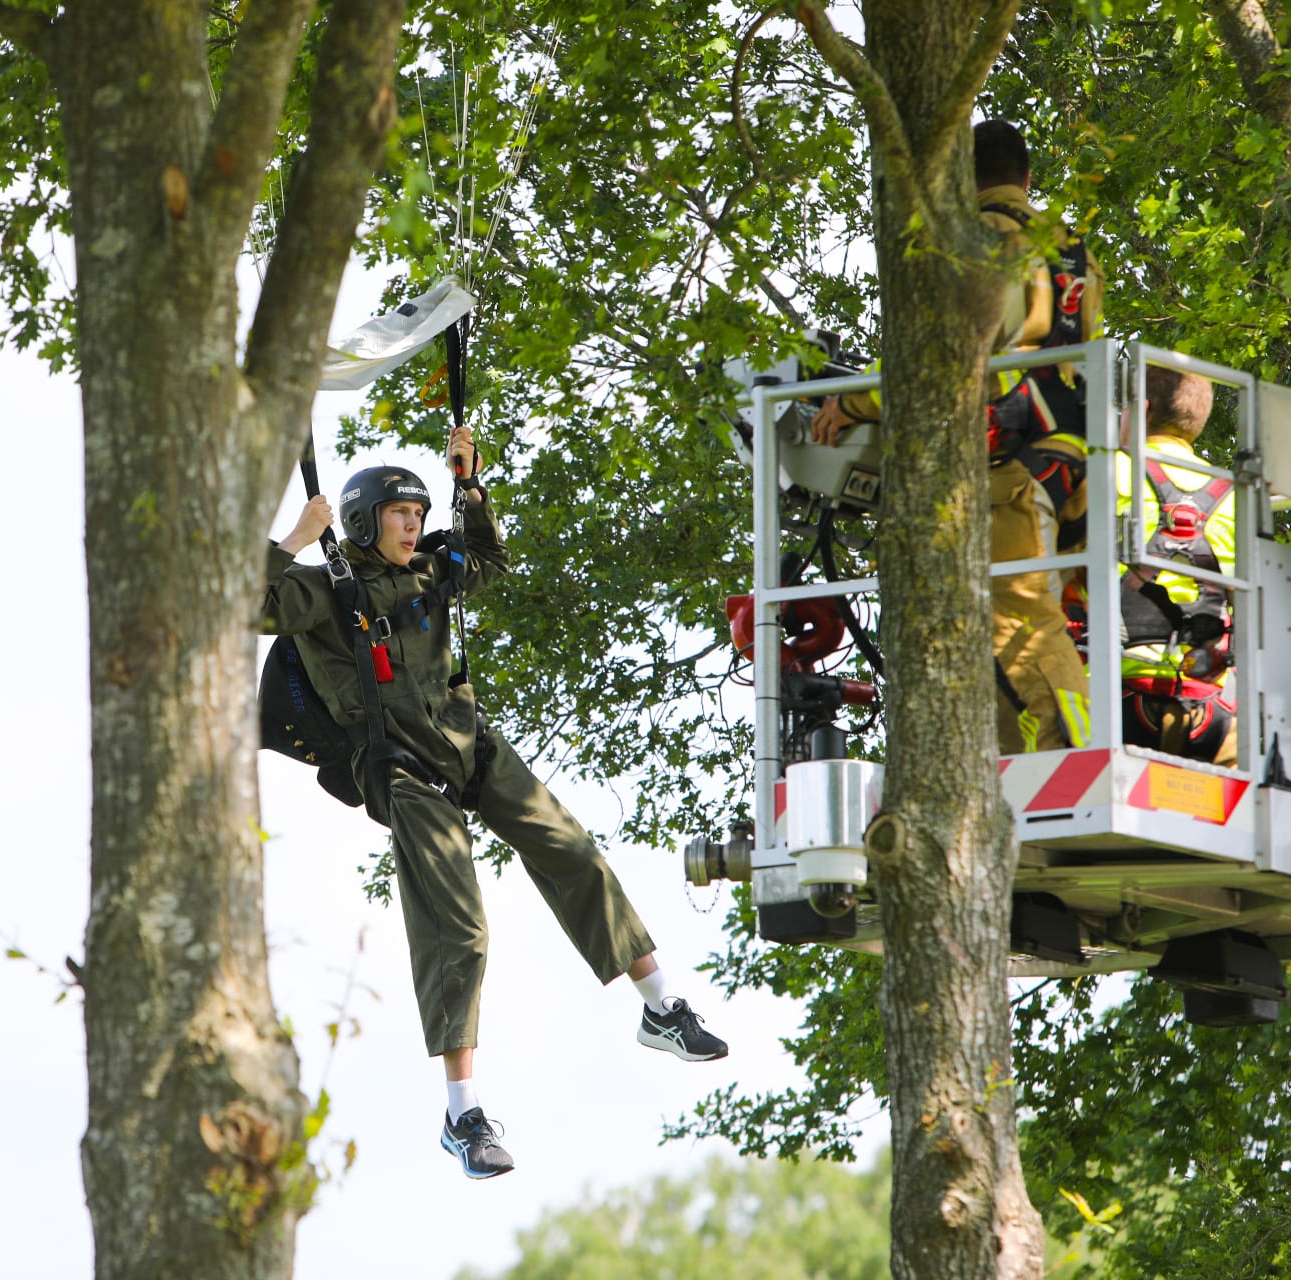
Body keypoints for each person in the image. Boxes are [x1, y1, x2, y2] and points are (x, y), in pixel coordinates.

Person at [262, 424, 728, 1181]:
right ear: (358, 522)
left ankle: (661, 1008)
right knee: (461, 928)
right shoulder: (325, 589)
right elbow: (249, 603)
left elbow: (488, 561)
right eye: (398, 513)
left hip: (470, 744)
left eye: (419, 510)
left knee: (569, 847)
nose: (414, 522)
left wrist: (469, 486)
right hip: (402, 768)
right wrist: (296, 534)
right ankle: (462, 1116)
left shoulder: (430, 573)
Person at [811, 119, 1104, 755]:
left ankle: (1075, 760)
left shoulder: (968, 241)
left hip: (1004, 472)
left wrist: (853, 402)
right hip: (1070, 465)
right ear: (1025, 178)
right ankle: (1049, 759)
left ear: (957, 183)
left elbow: (935, 363)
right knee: (1032, 631)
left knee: (1016, 632)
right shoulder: (1071, 247)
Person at [1117, 367, 1237, 765]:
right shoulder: (1234, 494)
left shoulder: (1107, 472)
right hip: (1213, 708)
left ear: (1142, 409)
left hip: (1114, 696)